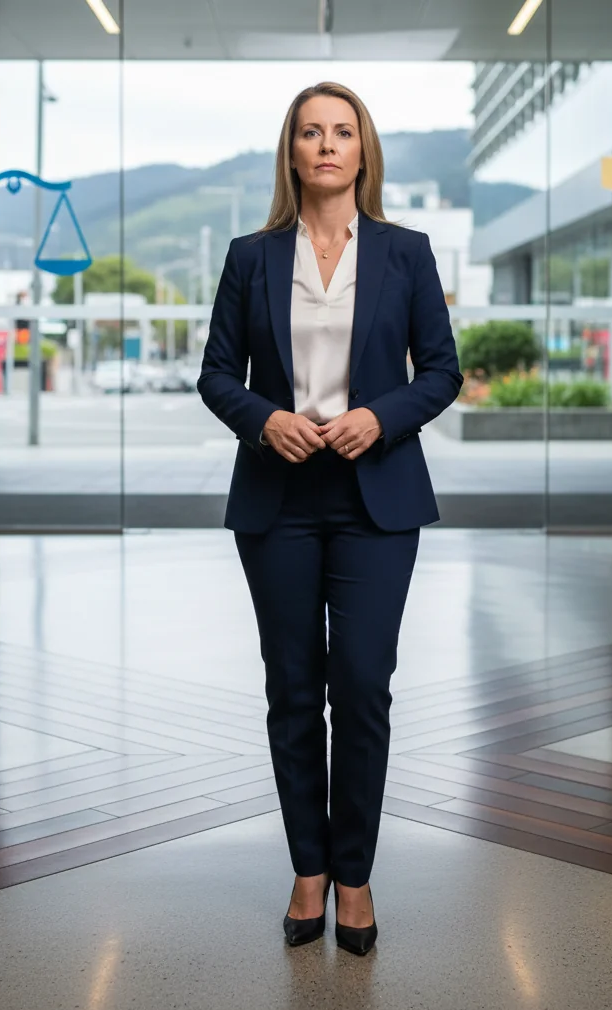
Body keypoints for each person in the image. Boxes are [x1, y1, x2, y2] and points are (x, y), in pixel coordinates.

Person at [197, 82, 463, 956]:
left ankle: (356, 876)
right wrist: (263, 418)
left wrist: (380, 416)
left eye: (342, 131)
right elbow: (215, 376)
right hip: (278, 498)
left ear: (362, 150)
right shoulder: (250, 254)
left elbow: (442, 372)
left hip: (374, 497)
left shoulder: (407, 252)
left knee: (360, 687)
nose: (326, 144)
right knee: (290, 689)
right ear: (292, 150)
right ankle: (307, 869)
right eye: (310, 131)